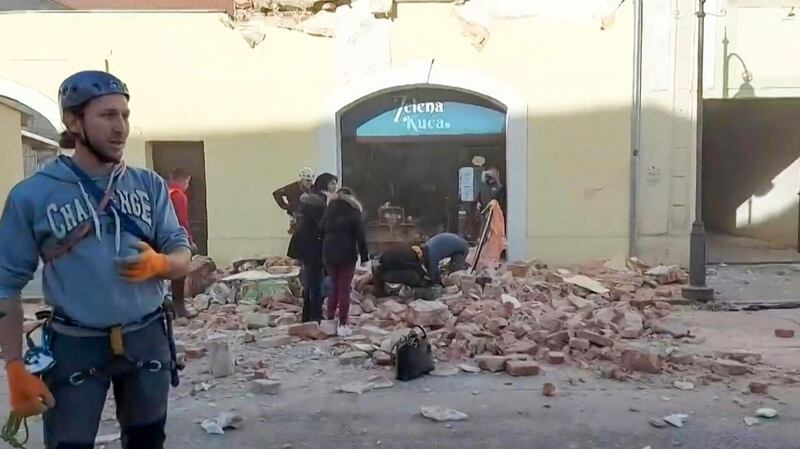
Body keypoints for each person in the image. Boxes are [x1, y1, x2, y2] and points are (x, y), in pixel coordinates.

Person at [0, 71, 191, 448]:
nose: (120, 127)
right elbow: (6, 285)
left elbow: (181, 249)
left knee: (147, 440)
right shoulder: (32, 196)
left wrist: (164, 265)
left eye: (124, 115)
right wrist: (14, 366)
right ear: (74, 122)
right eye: (107, 116)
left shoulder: (148, 184)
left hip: (146, 337)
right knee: (69, 443)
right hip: (75, 343)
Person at [287, 173, 338, 323]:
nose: (335, 187)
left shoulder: (313, 199)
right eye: (332, 183)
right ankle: (315, 316)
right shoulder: (319, 202)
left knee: (311, 281)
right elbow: (322, 225)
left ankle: (308, 315)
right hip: (312, 246)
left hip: (305, 245)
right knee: (315, 281)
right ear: (324, 184)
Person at [321, 187, 368, 337]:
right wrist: (365, 257)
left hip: (328, 252)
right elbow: (361, 236)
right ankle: (342, 324)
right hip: (347, 253)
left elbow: (321, 229)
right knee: (344, 288)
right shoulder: (354, 212)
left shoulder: (329, 211)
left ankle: (329, 320)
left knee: (334, 285)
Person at [167, 167, 197, 318]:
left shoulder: (163, 193)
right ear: (180, 180)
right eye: (187, 182)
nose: (187, 186)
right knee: (179, 274)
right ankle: (179, 309)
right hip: (174, 240)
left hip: (156, 238)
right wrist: (190, 241)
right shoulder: (179, 196)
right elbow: (182, 221)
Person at [273, 167, 315, 234]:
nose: (309, 183)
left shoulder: (314, 189)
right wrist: (286, 206)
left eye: (311, 181)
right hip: (297, 217)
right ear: (302, 180)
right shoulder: (292, 188)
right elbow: (277, 193)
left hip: (310, 217)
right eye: (307, 181)